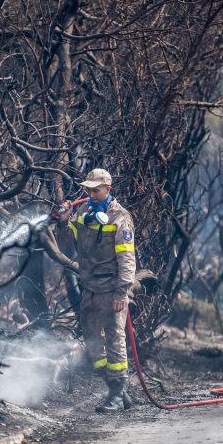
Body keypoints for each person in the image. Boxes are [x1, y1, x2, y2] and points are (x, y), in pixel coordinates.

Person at [58, 168, 136, 413]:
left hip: (111, 288)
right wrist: (65, 221)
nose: (91, 193)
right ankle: (118, 390)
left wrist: (121, 293)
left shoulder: (120, 217)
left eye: (96, 189)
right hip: (89, 288)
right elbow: (67, 242)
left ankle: (114, 395)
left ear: (108, 189)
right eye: (88, 189)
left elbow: (127, 259)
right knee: (92, 342)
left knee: (115, 339)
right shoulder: (83, 212)